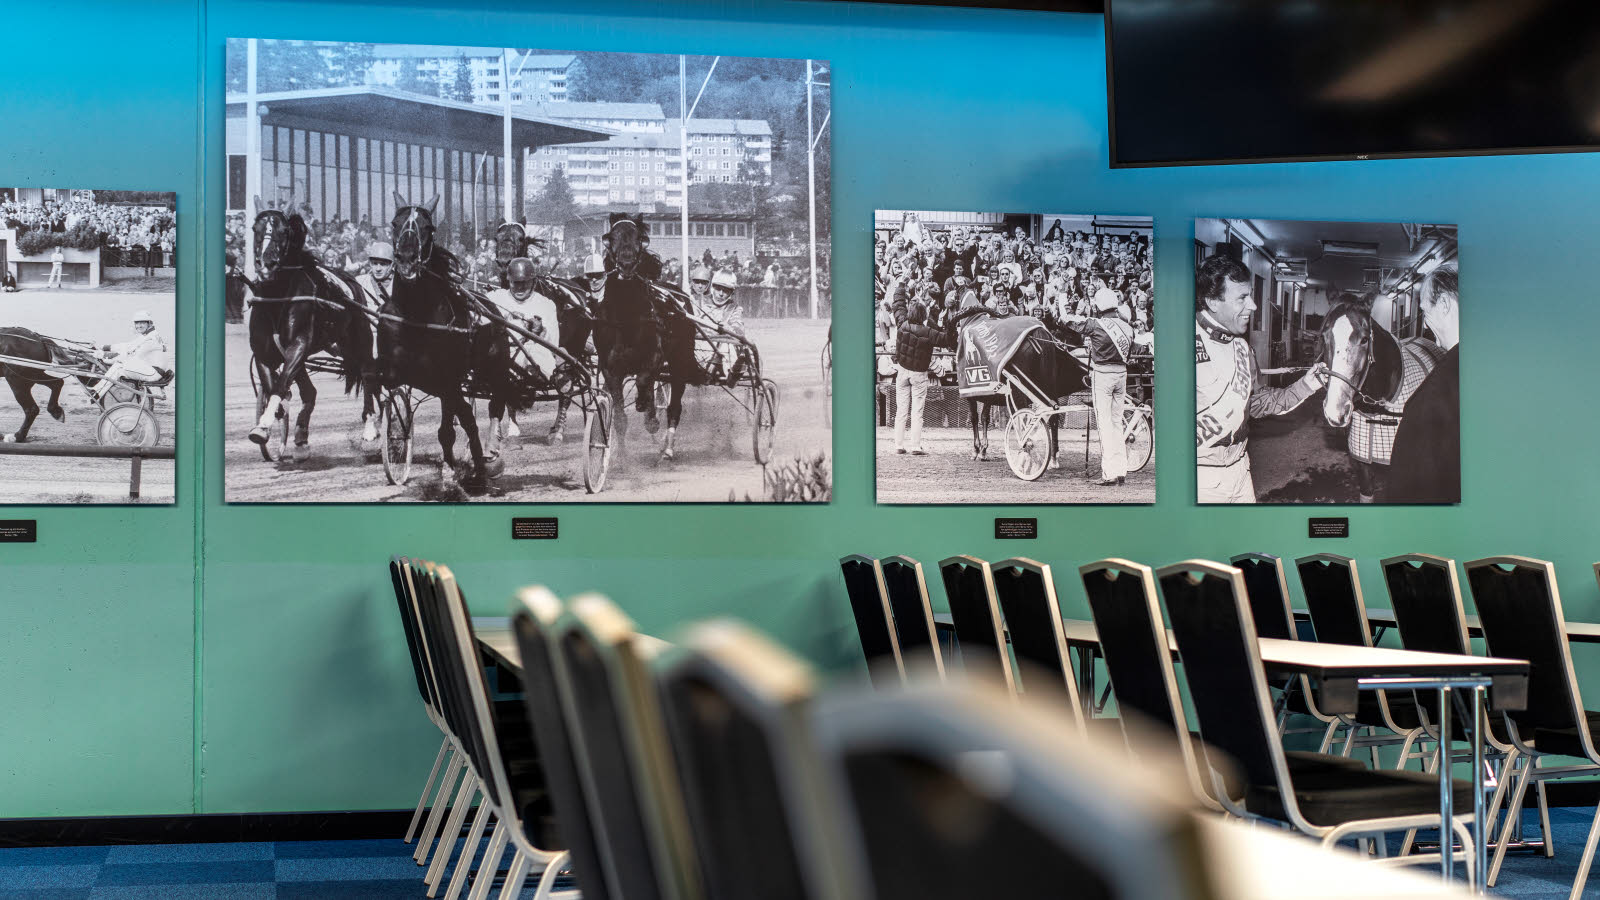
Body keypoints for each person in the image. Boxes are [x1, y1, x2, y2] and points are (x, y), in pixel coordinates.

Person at [1195, 255, 1328, 503]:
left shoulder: (1242, 349)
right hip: (1199, 479)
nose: (1254, 306)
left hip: (1240, 468)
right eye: (1242, 298)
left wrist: (1309, 383)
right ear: (1213, 301)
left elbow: (1257, 403)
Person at [1386, 266, 1461, 503]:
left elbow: (1409, 493)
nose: (1425, 325)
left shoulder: (1431, 398)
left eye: (1425, 312)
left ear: (1445, 305)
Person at [1064, 289, 1141, 486]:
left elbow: (1069, 322)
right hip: (1122, 375)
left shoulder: (1095, 324)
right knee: (1117, 423)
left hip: (1103, 375)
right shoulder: (1128, 327)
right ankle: (1121, 470)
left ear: (1098, 307)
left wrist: (1063, 307)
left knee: (1105, 425)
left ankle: (1109, 473)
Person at [89, 311, 169, 402]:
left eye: (142, 323)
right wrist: (104, 347)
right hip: (152, 369)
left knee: (118, 368)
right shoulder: (149, 335)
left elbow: (131, 356)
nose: (138, 326)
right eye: (137, 323)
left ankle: (96, 393)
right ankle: (97, 391)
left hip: (153, 373)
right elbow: (128, 346)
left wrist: (105, 358)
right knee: (118, 364)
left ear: (149, 323)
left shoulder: (151, 338)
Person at [893, 302, 938, 456]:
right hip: (919, 373)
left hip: (903, 370)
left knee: (901, 411)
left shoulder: (902, 326)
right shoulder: (928, 332)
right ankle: (915, 446)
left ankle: (898, 445)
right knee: (917, 412)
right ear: (923, 315)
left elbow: (897, 306)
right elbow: (946, 339)